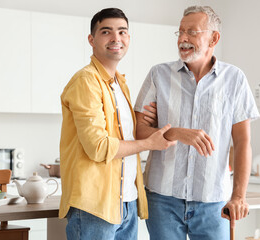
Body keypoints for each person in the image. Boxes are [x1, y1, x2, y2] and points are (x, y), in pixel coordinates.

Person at [134, 5, 260, 240]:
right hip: (163, 198)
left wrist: (239, 196)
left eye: (192, 32)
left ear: (214, 38)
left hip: (213, 201)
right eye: (180, 32)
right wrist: (176, 133)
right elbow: (140, 133)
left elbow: (243, 142)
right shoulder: (158, 75)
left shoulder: (235, 79)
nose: (183, 38)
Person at [58, 8, 176, 240]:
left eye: (122, 32)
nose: (116, 38)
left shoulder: (119, 84)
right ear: (91, 40)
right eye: (106, 32)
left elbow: (122, 136)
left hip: (126, 202)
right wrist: (148, 143)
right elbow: (98, 147)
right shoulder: (86, 81)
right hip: (95, 206)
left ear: (128, 39)